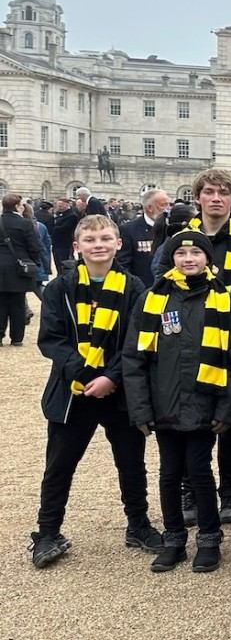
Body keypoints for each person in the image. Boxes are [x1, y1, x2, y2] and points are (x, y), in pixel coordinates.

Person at [32, 214, 160, 568]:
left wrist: (111, 377)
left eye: (105, 238)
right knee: (59, 465)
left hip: (119, 391)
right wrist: (87, 373)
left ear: (119, 244)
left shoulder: (135, 288)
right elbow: (52, 340)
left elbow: (139, 341)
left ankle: (138, 523)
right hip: (72, 391)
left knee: (131, 463)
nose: (98, 245)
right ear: (77, 247)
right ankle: (47, 531)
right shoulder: (60, 288)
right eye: (90, 240)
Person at [122, 230, 231, 574]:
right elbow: (134, 358)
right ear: (172, 258)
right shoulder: (153, 299)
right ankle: (174, 537)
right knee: (168, 473)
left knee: (199, 471)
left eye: (196, 253)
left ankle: (209, 537)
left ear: (208, 259)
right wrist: (140, 408)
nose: (188, 259)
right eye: (181, 253)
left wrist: (228, 408)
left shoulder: (223, 300)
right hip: (164, 403)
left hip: (205, 403)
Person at [0, 192, 43, 344]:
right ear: (17, 207)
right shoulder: (25, 223)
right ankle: (16, 337)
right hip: (19, 266)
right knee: (18, 304)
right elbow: (35, 247)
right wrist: (33, 261)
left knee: (1, 302)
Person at [120, 189, 170, 281]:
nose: (167, 209)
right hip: (142, 288)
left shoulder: (171, 229)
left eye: (168, 204)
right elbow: (123, 264)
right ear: (149, 208)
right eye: (163, 205)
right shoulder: (129, 230)